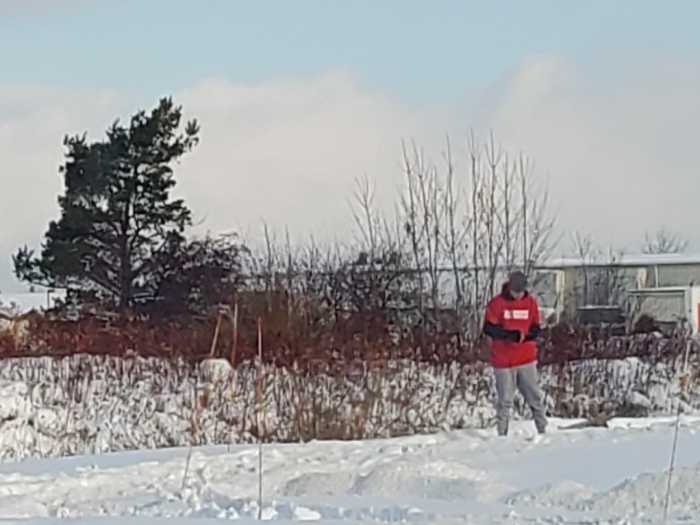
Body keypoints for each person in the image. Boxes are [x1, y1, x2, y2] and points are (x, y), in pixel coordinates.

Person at [482, 270, 547, 436]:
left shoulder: (531, 303)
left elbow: (535, 327)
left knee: (535, 398)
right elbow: (489, 328)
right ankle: (502, 435)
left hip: (526, 358)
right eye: (515, 291)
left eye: (521, 291)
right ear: (509, 288)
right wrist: (510, 335)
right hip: (503, 361)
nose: (518, 295)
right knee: (505, 401)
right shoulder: (497, 304)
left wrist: (526, 336)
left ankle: (543, 431)